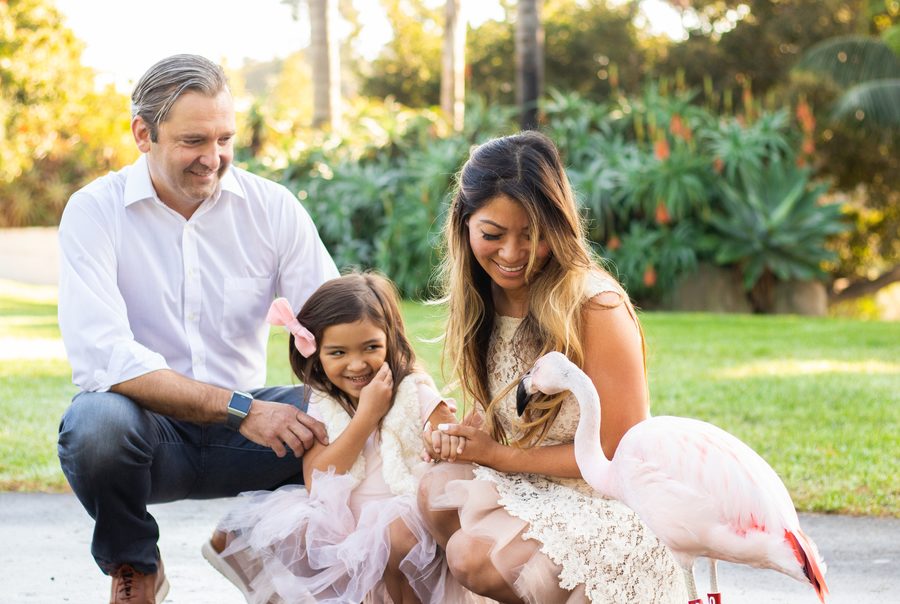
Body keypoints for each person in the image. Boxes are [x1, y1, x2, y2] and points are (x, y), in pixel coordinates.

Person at [56, 54, 339, 604]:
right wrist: (241, 410)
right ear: (144, 133)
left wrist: (403, 394)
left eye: (224, 139)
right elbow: (104, 357)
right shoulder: (95, 211)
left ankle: (258, 537)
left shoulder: (271, 207)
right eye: (193, 141)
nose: (213, 159)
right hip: (151, 436)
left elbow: (334, 320)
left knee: (354, 413)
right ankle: (135, 563)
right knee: (94, 425)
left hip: (252, 437)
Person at [417, 131, 688, 603]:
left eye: (533, 235)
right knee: (434, 489)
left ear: (558, 227)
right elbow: (497, 420)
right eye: (492, 235)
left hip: (602, 503)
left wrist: (499, 457)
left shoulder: (594, 305)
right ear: (464, 225)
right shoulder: (482, 301)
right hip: (529, 486)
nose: (512, 254)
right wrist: (460, 437)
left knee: (472, 555)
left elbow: (621, 452)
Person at [201, 272, 482, 604]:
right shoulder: (324, 401)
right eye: (338, 353)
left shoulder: (412, 389)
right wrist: (366, 417)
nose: (357, 364)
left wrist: (442, 442)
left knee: (397, 537)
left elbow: (446, 432)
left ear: (390, 339)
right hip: (346, 529)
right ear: (316, 353)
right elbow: (316, 478)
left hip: (407, 526)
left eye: (371, 347)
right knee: (262, 531)